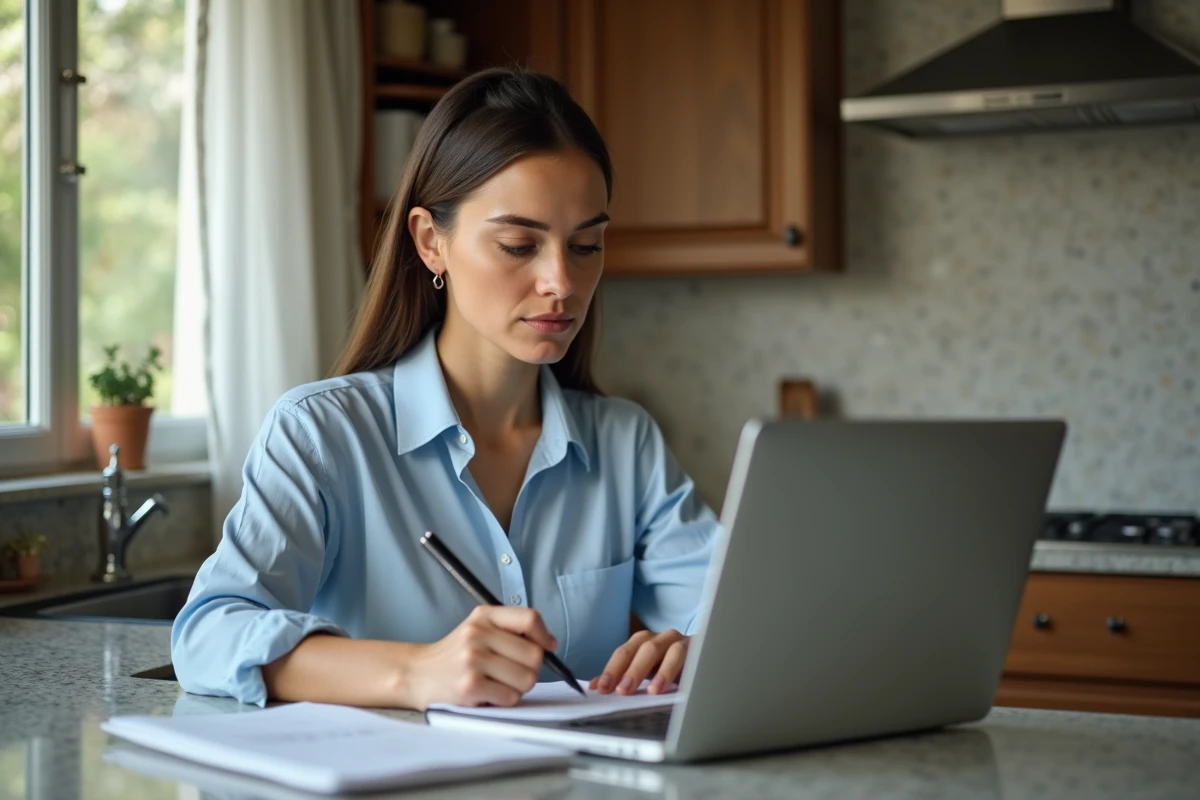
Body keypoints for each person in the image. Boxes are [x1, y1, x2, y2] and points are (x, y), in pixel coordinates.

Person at [171, 68, 719, 710]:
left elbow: (738, 610)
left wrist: (695, 644)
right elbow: (208, 633)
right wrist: (415, 673)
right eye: (519, 245)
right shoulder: (321, 434)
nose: (562, 282)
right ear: (432, 241)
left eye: (586, 245)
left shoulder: (626, 442)